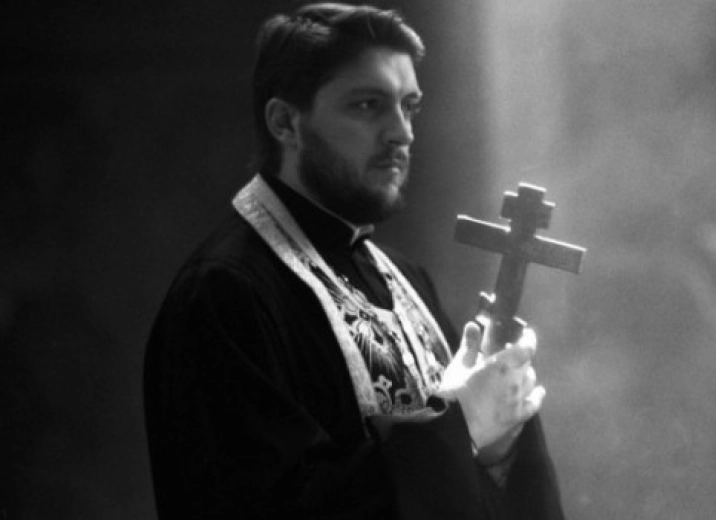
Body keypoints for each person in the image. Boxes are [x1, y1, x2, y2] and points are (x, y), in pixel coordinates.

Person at [142, 3, 565, 519]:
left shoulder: (407, 280)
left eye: (409, 106)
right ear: (285, 123)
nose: (402, 133)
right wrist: (463, 426)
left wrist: (499, 442)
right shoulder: (225, 293)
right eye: (368, 105)